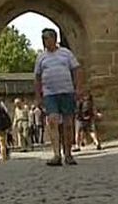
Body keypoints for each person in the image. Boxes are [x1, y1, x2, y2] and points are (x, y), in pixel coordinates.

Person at [34, 28, 81, 166]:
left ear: (54, 39)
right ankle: (56, 154)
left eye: (47, 38)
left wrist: (78, 87)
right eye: (43, 39)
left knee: (67, 124)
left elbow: (77, 70)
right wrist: (38, 96)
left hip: (67, 92)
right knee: (53, 122)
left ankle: (68, 154)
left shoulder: (66, 54)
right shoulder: (41, 57)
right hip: (50, 94)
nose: (45, 41)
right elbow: (37, 77)